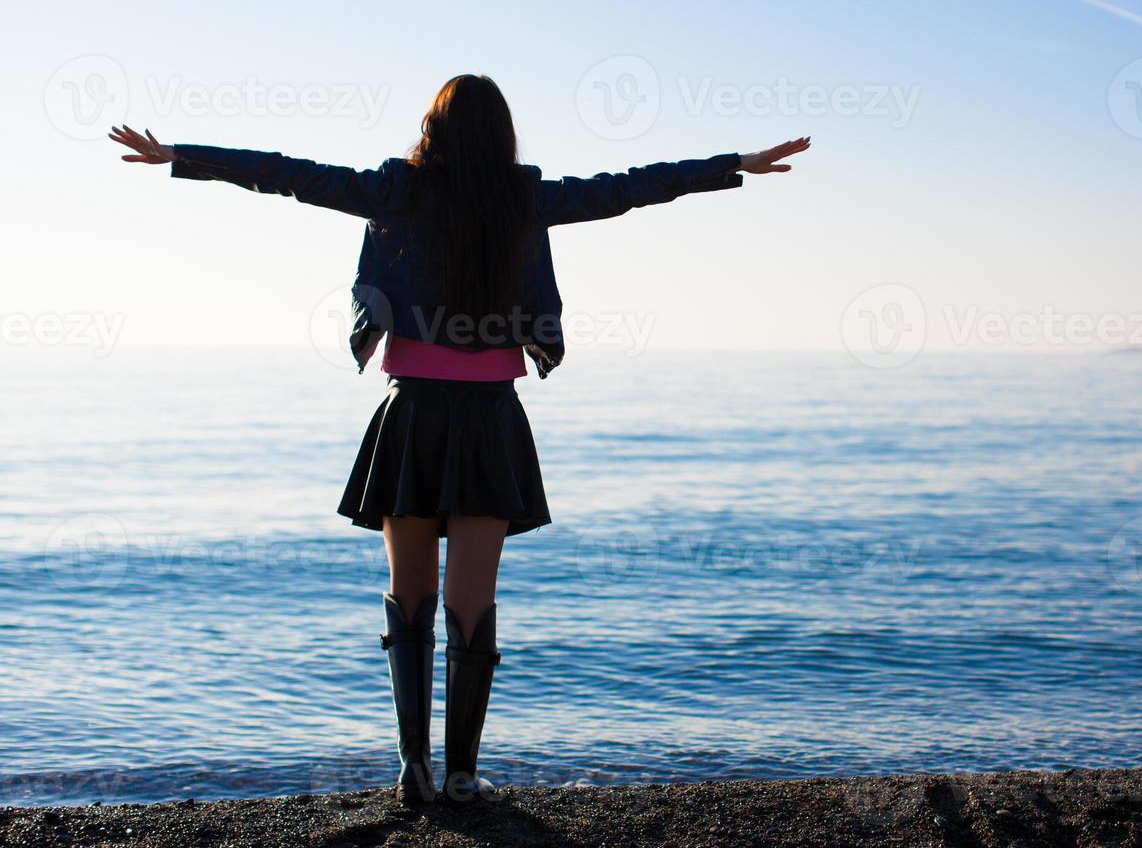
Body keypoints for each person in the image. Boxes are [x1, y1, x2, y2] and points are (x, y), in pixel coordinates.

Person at [109, 74, 810, 806]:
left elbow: (288, 177)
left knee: (410, 597)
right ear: (501, 133)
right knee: (471, 603)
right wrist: (734, 164)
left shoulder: (396, 192)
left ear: (433, 130)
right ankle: (464, 773)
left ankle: (412, 764)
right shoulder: (525, 197)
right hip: (488, 417)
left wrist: (180, 156)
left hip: (411, 414)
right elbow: (627, 188)